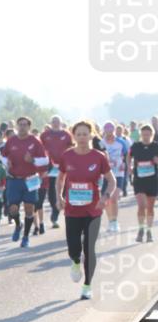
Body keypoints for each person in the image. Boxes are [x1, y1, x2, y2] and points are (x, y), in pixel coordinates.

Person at [56, 120, 118, 300]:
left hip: (93, 210)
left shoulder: (99, 156)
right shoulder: (67, 156)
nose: (82, 137)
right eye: (78, 134)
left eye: (85, 134)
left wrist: (105, 198)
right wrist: (59, 197)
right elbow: (60, 179)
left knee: (89, 248)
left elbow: (111, 181)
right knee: (73, 248)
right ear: (74, 136)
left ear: (91, 135)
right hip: (72, 210)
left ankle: (87, 285)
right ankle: (75, 261)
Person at [1, 116, 49, 248]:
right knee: (13, 209)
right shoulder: (11, 141)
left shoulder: (35, 141)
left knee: (29, 209)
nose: (22, 127)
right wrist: (7, 163)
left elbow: (45, 160)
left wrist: (33, 160)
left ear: (29, 126)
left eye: (25, 125)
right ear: (17, 126)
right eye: (20, 124)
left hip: (30, 179)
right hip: (14, 180)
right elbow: (3, 157)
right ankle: (18, 224)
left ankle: (26, 237)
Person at [41, 116, 75, 230]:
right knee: (51, 191)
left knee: (62, 190)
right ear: (51, 123)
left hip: (63, 166)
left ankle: (56, 211)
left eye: (57, 122)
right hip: (50, 167)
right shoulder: (45, 135)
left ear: (61, 123)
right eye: (53, 122)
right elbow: (40, 149)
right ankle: (54, 208)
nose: (55, 124)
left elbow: (71, 148)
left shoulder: (66, 135)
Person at [130, 123, 158, 243]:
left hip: (153, 180)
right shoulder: (136, 146)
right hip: (139, 180)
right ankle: (141, 229)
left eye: (148, 134)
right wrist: (129, 167)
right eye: (144, 134)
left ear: (152, 134)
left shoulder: (156, 146)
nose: (146, 136)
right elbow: (128, 155)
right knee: (142, 205)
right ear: (140, 135)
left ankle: (149, 231)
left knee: (150, 207)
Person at [100, 121, 129, 232]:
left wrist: (126, 166)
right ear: (104, 131)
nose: (109, 132)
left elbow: (127, 155)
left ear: (114, 130)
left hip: (118, 173)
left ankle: (115, 221)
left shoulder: (121, 142)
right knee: (106, 199)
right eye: (107, 130)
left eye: (111, 130)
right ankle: (110, 221)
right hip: (105, 174)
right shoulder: (102, 143)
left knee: (114, 198)